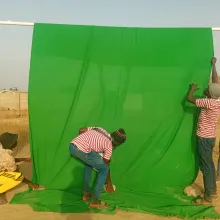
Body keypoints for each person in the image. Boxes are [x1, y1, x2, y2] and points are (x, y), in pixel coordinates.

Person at [187, 57, 220, 205]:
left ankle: (207, 197)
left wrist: (192, 89)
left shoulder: (207, 102)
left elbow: (190, 99)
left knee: (206, 167)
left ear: (209, 94)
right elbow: (215, 82)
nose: (205, 88)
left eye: (206, 90)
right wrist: (214, 65)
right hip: (211, 138)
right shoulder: (216, 100)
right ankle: (212, 192)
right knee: (210, 166)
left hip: (204, 139)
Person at [69, 127, 126, 208]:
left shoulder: (100, 129)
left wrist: (83, 142)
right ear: (117, 143)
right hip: (81, 151)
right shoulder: (109, 146)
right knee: (104, 169)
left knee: (89, 164)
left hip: (72, 145)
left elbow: (81, 130)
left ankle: (86, 194)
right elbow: (105, 166)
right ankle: (95, 201)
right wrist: (109, 183)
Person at [0, 132, 39, 204]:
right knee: (16, 176)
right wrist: (31, 184)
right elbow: (17, 174)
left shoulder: (2, 148)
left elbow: (4, 160)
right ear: (10, 144)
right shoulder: (8, 157)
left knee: (13, 168)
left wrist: (23, 159)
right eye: (14, 141)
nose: (17, 142)